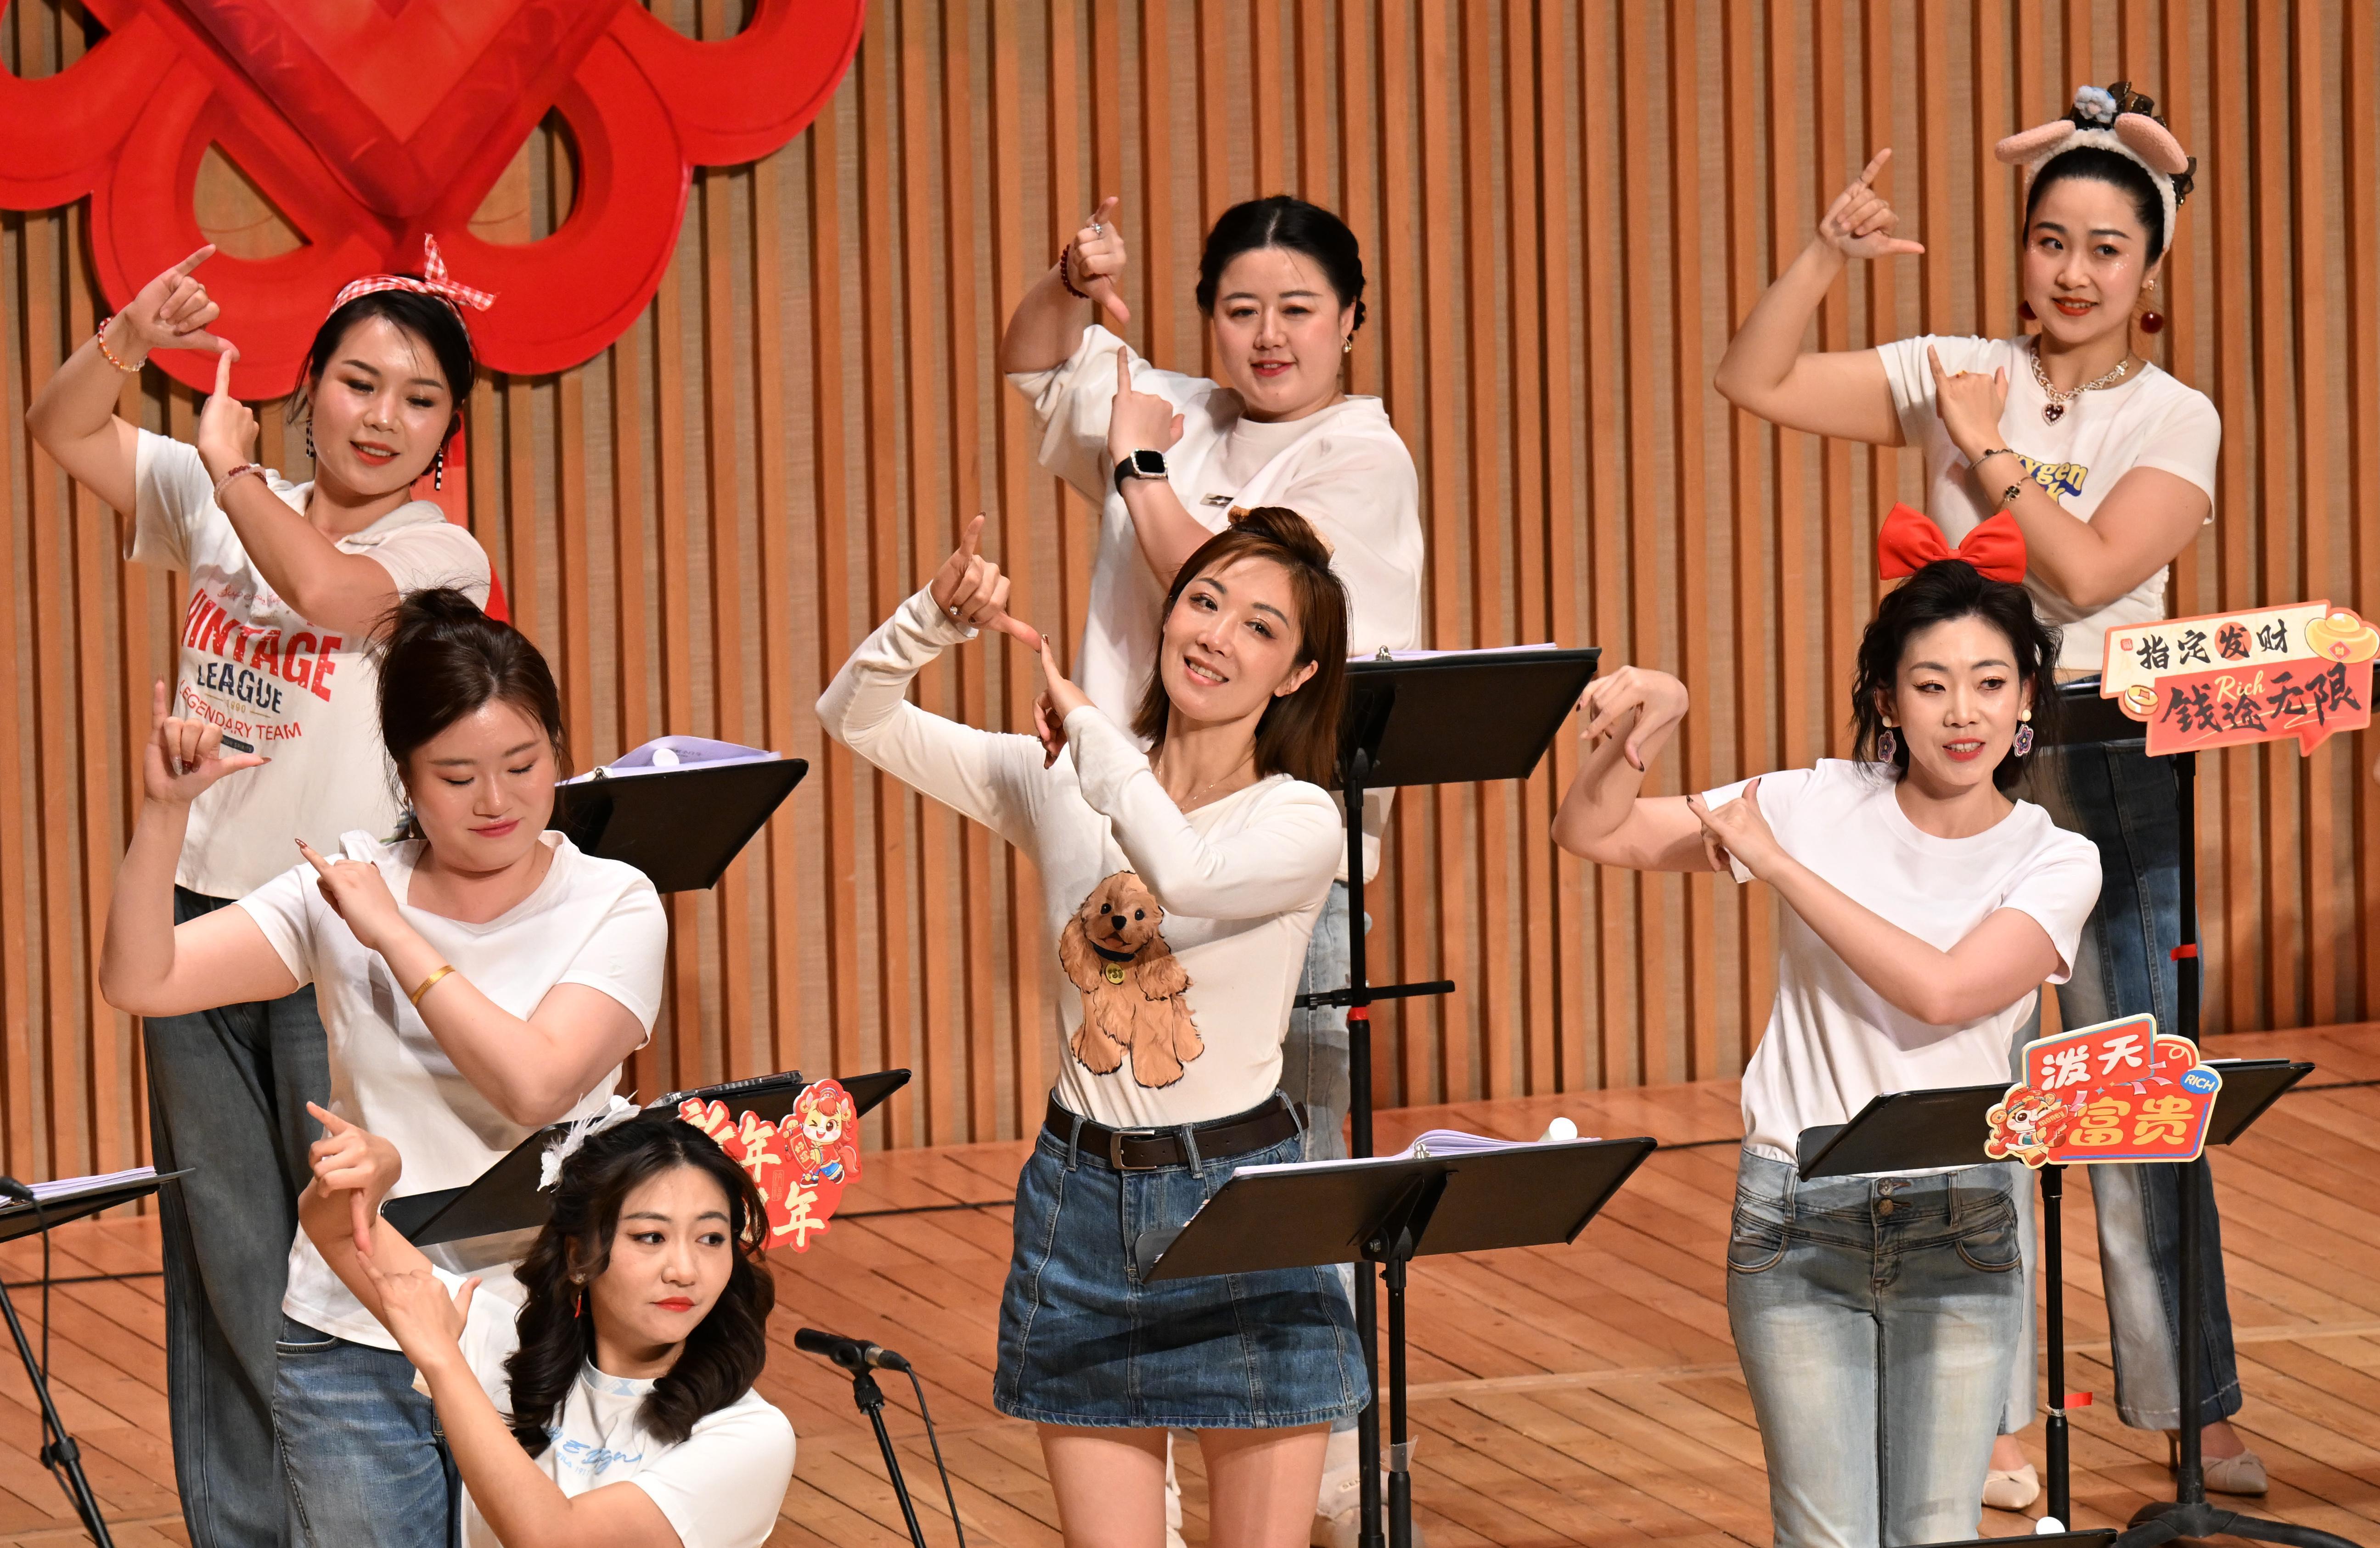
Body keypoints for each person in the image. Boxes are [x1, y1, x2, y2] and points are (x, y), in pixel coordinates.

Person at [1711, 81, 2260, 1501]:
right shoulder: (1957, 364)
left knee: (2127, 1079)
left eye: (2103, 248)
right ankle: (1992, 1415)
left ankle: (2187, 1407)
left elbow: (2084, 571)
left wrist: (1986, 448)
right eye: (2047, 240)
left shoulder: (2171, 413)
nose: (2069, 271)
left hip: (2104, 748)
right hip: (1957, 751)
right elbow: (1754, 378)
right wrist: (1823, 254)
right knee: (1966, 1080)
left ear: (2145, 269)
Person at [26, 241, 494, 1546]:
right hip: (194, 920)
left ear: (446, 435)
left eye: (419, 400)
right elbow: (59, 425)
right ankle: (243, 1531)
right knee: (224, 1252)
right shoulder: (223, 493)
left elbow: (326, 592)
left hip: (340, 933)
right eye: (360, 382)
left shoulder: (436, 549)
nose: (383, 418)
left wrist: (231, 472)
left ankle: (373, 1519)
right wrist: (127, 338)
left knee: (350, 1250)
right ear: (309, 386)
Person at [1000, 195, 1423, 1543]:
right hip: (1131, 831)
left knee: (1282, 1173)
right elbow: (1030, 363)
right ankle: (1150, 1454)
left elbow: (1245, 591)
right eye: (1238, 309)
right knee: (1134, 1141)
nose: (1267, 334)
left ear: (1351, 321)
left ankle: (1314, 1465)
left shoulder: (1359, 454)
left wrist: (1139, 468)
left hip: (1269, 853)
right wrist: (1067, 284)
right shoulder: (1175, 401)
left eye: (1298, 308)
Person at [819, 506, 1364, 1548]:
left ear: (1296, 673)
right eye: (1203, 602)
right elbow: (855, 715)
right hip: (1079, 1198)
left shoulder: (1299, 818)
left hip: (1241, 1209)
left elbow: (1183, 875)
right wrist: (932, 618)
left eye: (1258, 627)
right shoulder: (1063, 777)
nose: (1215, 635)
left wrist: (1095, 739)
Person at [1552, 539, 2103, 1548]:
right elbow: (1594, 831)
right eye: (1929, 685)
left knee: (1936, 1531)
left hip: (1959, 1219)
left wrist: (1777, 865)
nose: (1962, 712)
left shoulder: (2055, 858)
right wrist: (1645, 722)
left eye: (1989, 683)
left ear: (2027, 695)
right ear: (1886, 701)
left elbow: (1941, 992)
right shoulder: (1813, 802)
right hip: (1794, 1210)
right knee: (1821, 1536)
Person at [98, 590, 667, 1547]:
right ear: (404, 774)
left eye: (523, 765)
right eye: (457, 776)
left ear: (558, 752)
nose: (496, 802)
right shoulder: (347, 885)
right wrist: (162, 816)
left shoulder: (614, 901)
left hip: (551, 1330)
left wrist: (394, 935)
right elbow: (141, 980)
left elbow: (533, 1086)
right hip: (353, 1331)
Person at [295, 1103, 795, 1547]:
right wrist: (375, 1169)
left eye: (710, 1239)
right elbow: (338, 1229)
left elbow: (555, 1540)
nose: (684, 1271)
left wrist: (444, 1362)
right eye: (650, 1237)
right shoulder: (510, 1348)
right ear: (578, 1256)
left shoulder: (753, 1439)